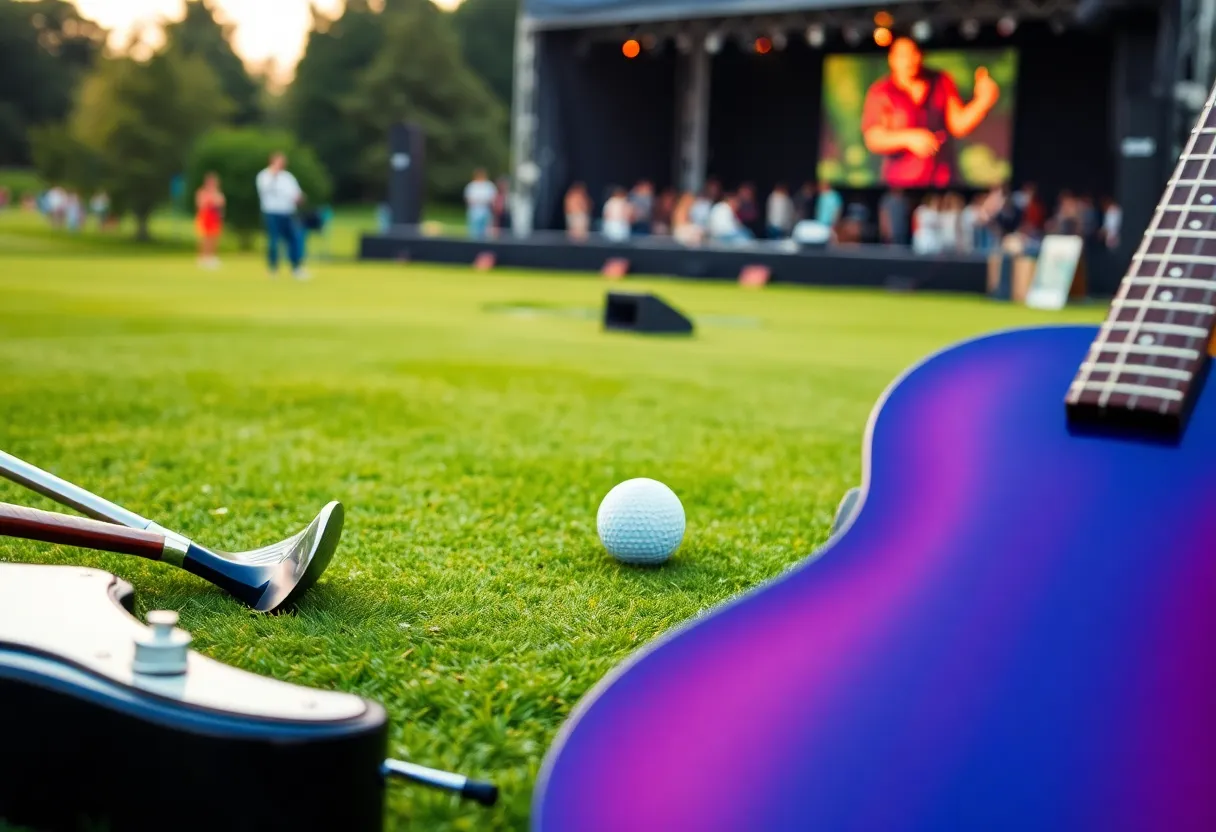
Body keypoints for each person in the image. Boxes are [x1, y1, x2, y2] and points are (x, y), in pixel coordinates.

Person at [861, 36, 1001, 189]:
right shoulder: (881, 91)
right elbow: (873, 138)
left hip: (942, 180)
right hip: (899, 185)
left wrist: (982, 101)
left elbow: (958, 126)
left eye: (914, 53)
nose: (909, 60)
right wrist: (909, 138)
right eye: (902, 55)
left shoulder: (941, 81)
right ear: (892, 59)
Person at [256, 151, 307, 279]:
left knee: (294, 239)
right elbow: (264, 190)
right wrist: (274, 175)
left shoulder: (288, 177)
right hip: (272, 212)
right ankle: (273, 268)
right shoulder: (264, 176)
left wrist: (299, 198)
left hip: (288, 212)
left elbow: (296, 193)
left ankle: (296, 267)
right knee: (273, 240)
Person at [195, 172, 225, 269]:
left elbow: (221, 203)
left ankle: (212, 257)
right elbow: (201, 204)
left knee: (214, 238)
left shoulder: (218, 193)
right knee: (205, 238)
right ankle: (203, 257)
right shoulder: (202, 192)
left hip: (214, 218)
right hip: (205, 217)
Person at [464, 169, 497, 240]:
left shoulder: (489, 186)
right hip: (474, 210)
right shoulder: (472, 186)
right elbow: (469, 199)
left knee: (486, 231)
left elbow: (492, 199)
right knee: (474, 231)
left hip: (486, 210)